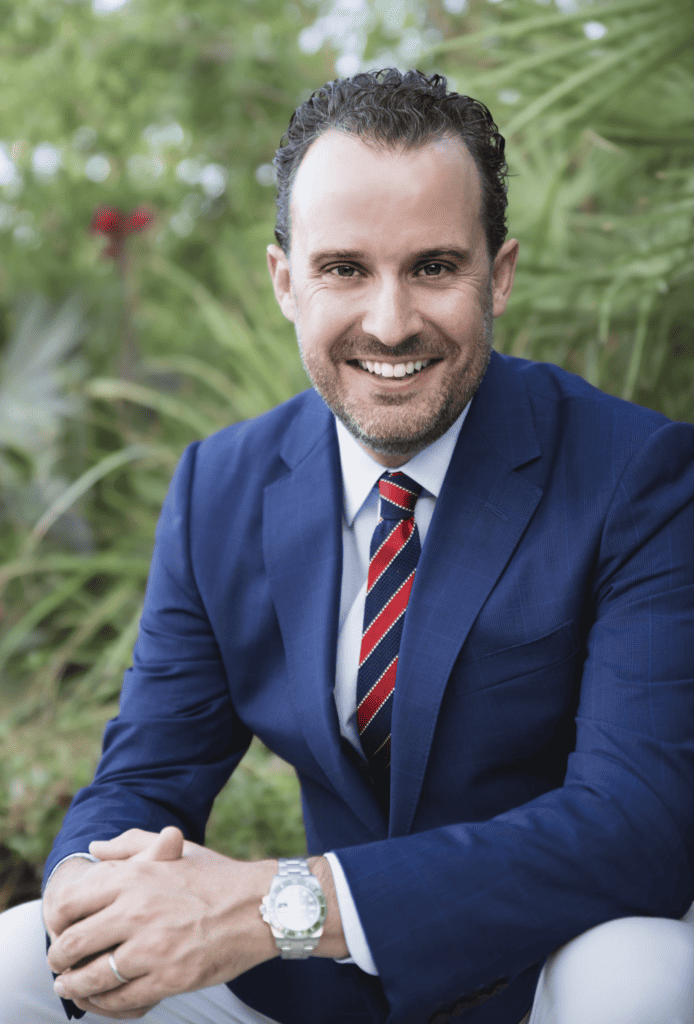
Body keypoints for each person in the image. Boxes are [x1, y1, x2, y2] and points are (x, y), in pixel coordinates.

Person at [1, 68, 692, 1024]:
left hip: (542, 973)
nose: (390, 322)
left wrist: (278, 905)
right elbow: (148, 774)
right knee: (21, 958)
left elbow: (636, 826)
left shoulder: (637, 475)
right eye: (345, 269)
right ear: (286, 280)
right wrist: (92, 884)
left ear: (498, 275)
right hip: (321, 989)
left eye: (434, 267)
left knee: (645, 972)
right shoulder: (220, 485)